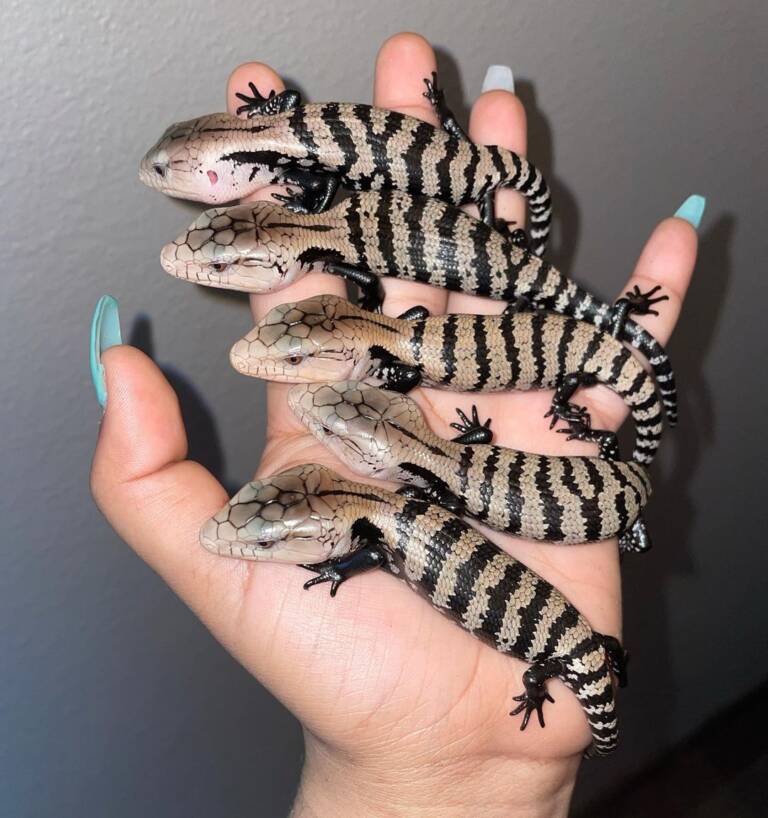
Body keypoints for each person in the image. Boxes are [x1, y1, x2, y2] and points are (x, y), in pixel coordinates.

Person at [89, 32, 702, 817]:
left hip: (471, 429)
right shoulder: (397, 481)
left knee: (612, 416)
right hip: (473, 447)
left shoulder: (394, 483)